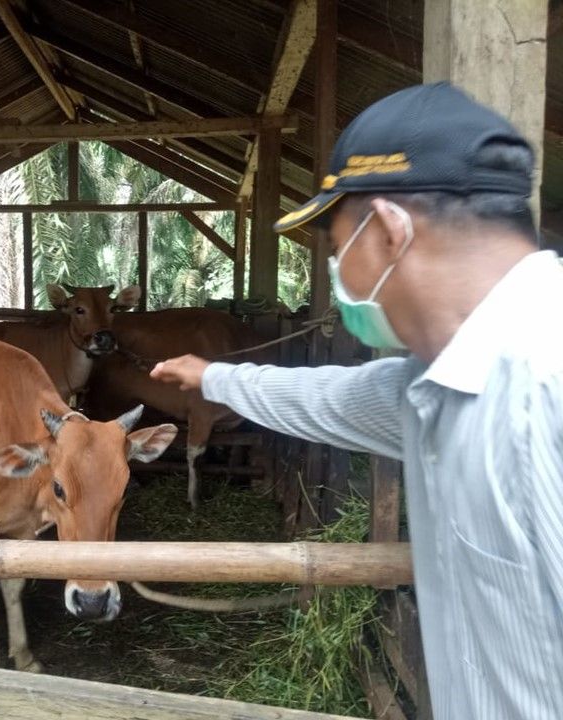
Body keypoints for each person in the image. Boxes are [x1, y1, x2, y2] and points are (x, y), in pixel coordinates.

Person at [150, 82, 563, 720]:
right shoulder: (435, 387)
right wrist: (213, 379)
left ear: (391, 233)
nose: (338, 278)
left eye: (340, 252)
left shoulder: (545, 387)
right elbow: (328, 396)